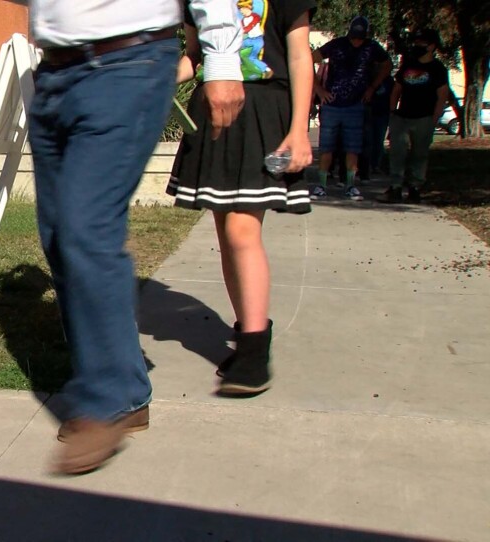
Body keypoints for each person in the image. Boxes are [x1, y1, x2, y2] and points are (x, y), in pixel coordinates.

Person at [27, 0, 246, 475]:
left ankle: (108, 399)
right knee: (59, 235)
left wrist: (223, 59)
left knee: (87, 228)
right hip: (53, 73)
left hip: (129, 61)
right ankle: (122, 387)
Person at [167, 0, 316, 395]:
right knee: (226, 234)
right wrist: (157, 77)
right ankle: (248, 332)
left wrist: (300, 129)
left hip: (265, 111)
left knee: (240, 231)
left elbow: (300, 55)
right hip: (214, 114)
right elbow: (195, 57)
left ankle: (254, 349)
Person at [311, 16, 392, 201]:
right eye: (354, 37)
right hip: (331, 104)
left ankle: (350, 185)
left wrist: (372, 87)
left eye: (360, 38)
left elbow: (387, 65)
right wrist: (319, 89)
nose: (356, 41)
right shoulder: (337, 44)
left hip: (356, 104)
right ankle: (321, 185)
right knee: (326, 147)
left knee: (353, 147)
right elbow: (309, 59)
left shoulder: (371, 47)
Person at [377, 28, 450, 204]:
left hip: (424, 117)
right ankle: (395, 187)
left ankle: (415, 188)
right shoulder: (408, 64)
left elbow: (442, 95)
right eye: (416, 42)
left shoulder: (438, 69)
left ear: (432, 46)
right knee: (397, 152)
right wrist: (392, 111)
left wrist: (434, 118)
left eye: (422, 43)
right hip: (402, 117)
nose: (417, 46)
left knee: (420, 154)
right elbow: (397, 88)